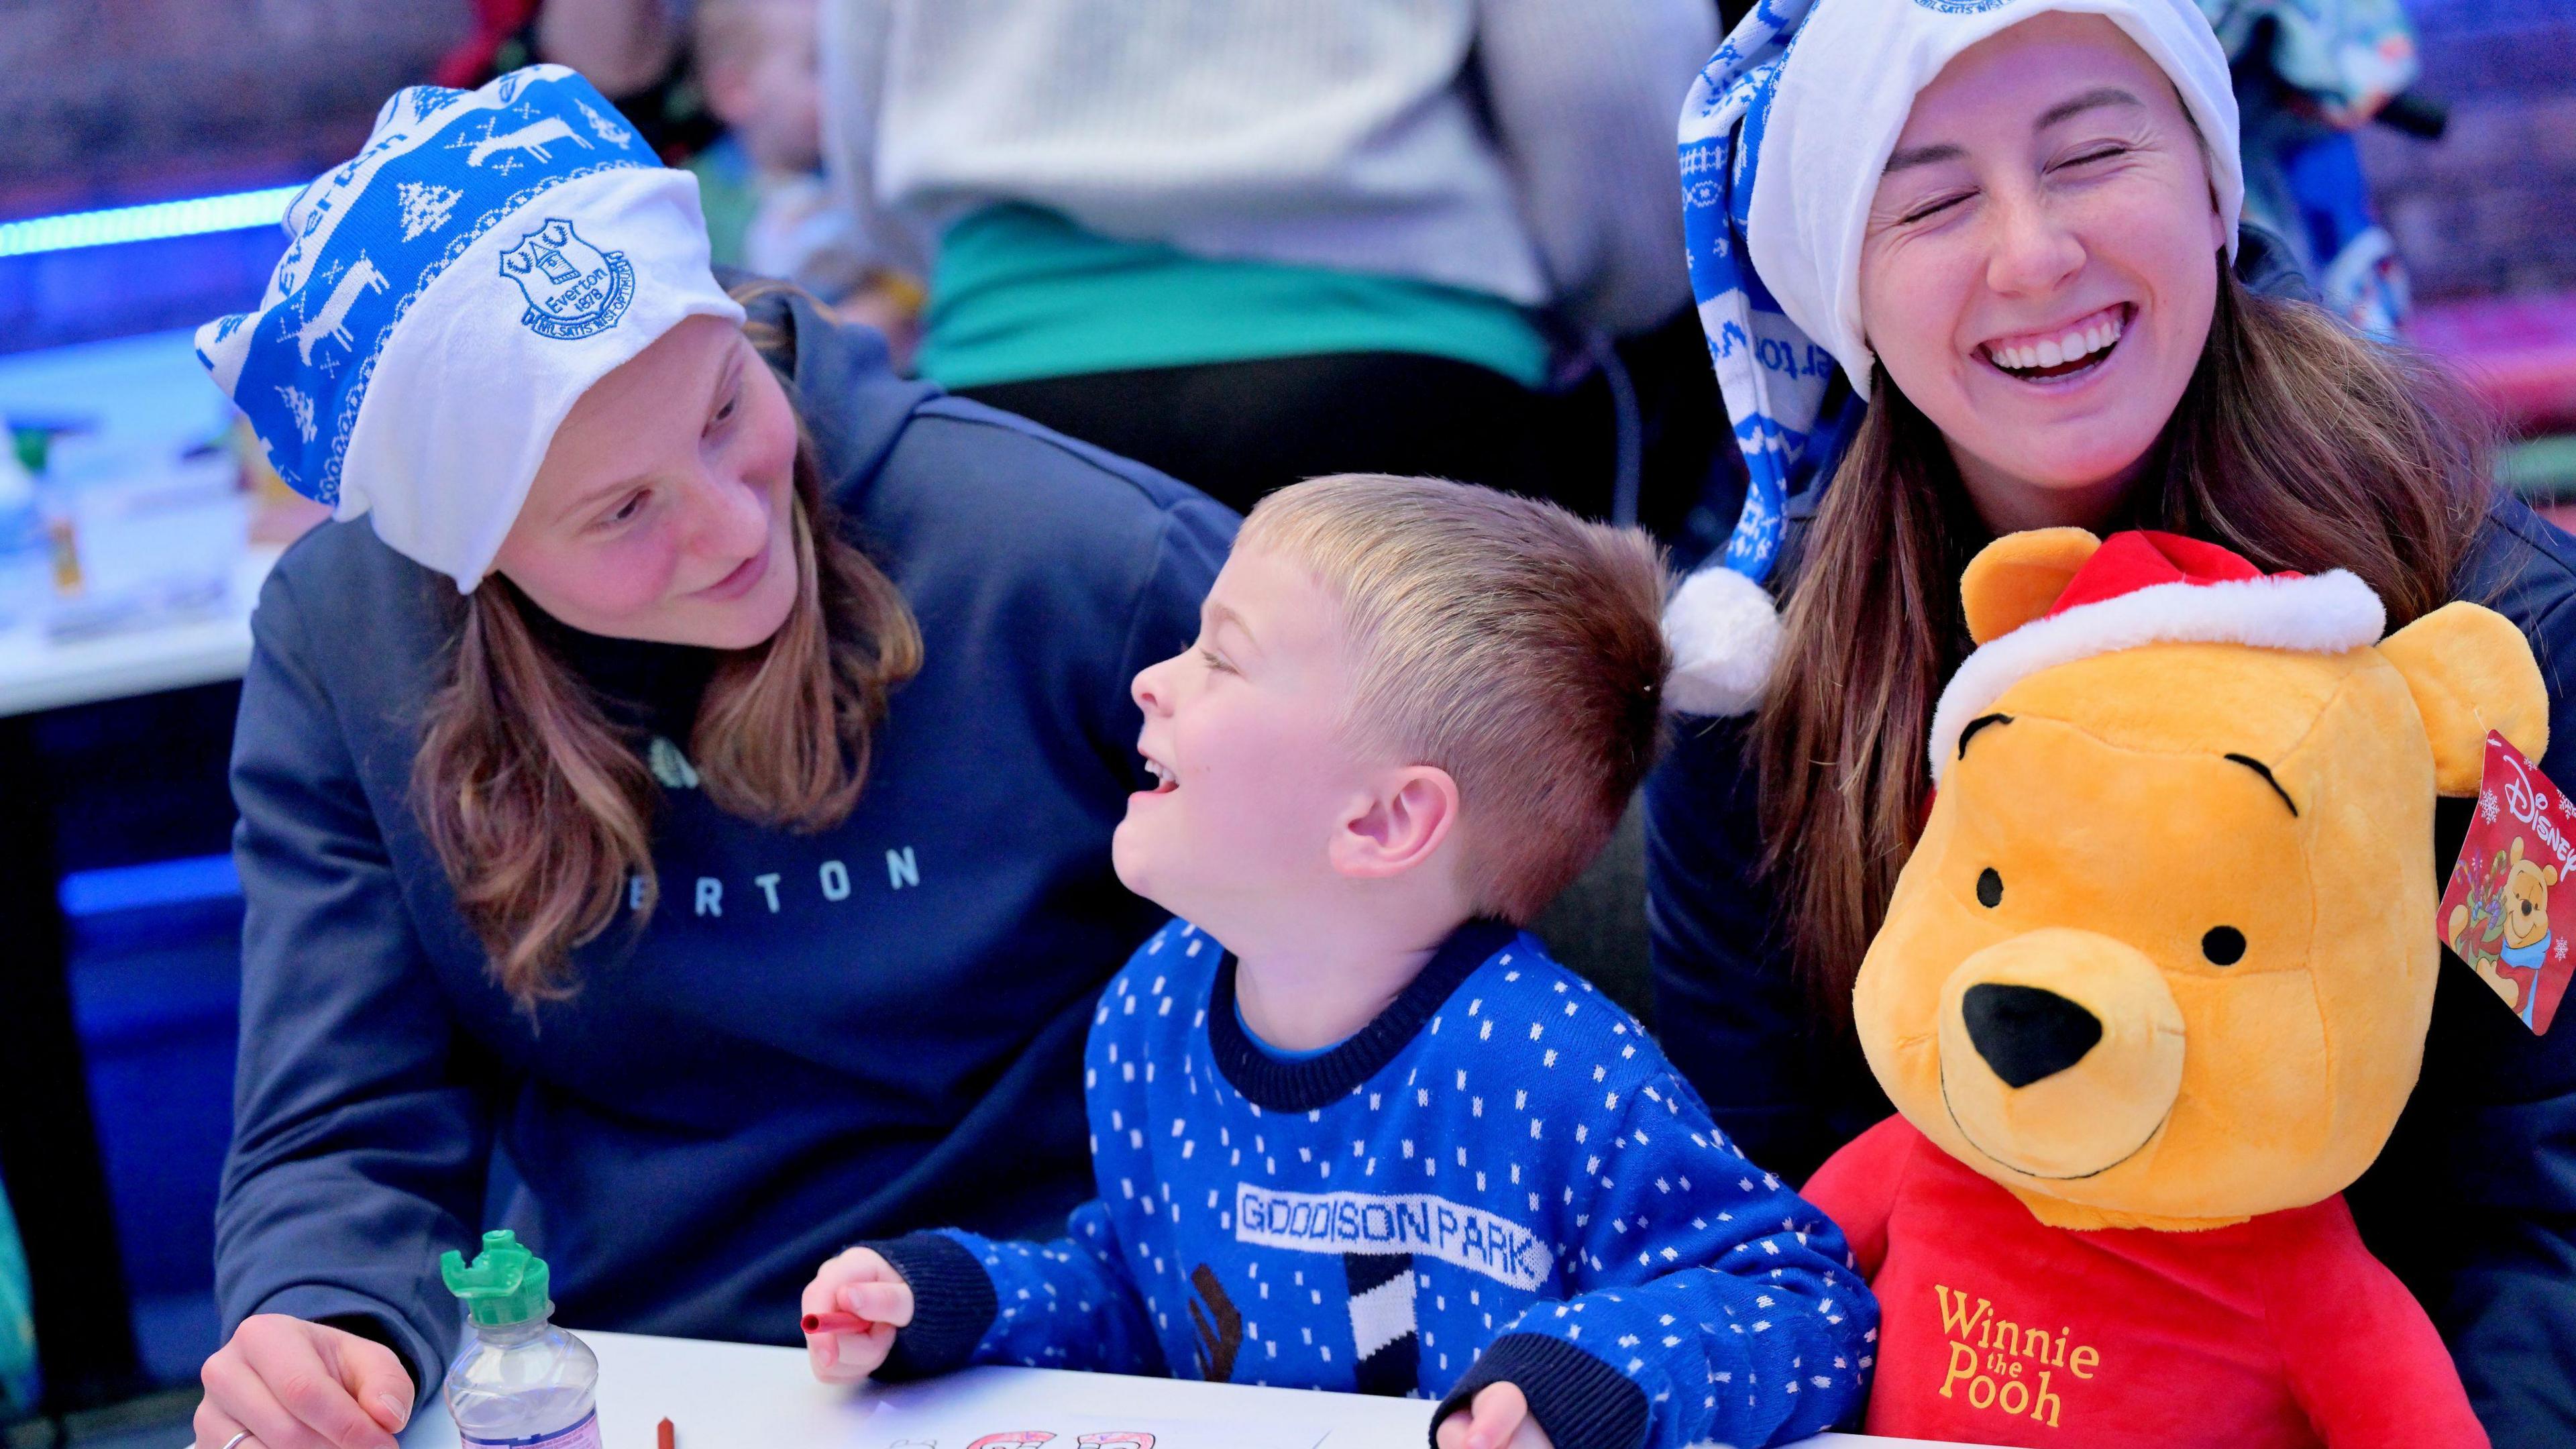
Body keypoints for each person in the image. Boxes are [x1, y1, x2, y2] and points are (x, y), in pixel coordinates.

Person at [188, 68, 1232, 1449]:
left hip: (1081, 1331)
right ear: (472, 560)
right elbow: (348, 1115)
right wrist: (321, 1326)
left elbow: (1396, 928)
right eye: (624, 512)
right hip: (658, 1367)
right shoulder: (353, 645)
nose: (736, 527)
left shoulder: (1068, 553)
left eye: (728, 409)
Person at [1642, 0, 2576, 1441]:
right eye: (1934, 202)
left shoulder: (2499, 634)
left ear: (2215, 187)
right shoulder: (1762, 681)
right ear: (1845, 295)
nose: (2033, 254)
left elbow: (2539, 1186)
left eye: (2091, 157)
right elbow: (1752, 1208)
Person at [797, 476, 1876, 1449]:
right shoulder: (1153, 1008)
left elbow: (1803, 1303)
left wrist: (1590, 1379)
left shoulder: (1558, 1071)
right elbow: (1140, 1294)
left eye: (1223, 655)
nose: (1152, 683)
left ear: (1387, 819)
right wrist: (956, 1299)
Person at [814, 0, 1716, 517]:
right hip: (1399, 379)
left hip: (1008, 409)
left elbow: (861, 117)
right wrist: (1598, 283)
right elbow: (1599, 77)